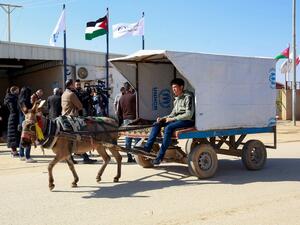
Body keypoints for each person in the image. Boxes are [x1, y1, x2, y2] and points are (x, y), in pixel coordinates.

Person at [136, 78, 195, 165]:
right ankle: (147, 147)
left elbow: (189, 114)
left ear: (181, 87)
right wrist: (163, 118)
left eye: (175, 87)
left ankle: (160, 157)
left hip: (188, 120)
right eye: (172, 88)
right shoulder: (177, 99)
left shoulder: (188, 97)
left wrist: (173, 119)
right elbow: (173, 113)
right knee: (156, 124)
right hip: (178, 119)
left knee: (168, 127)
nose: (173, 89)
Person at [62, 79, 96, 164]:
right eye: (73, 84)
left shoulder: (64, 93)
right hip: (73, 118)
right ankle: (84, 156)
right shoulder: (71, 94)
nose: (74, 85)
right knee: (83, 135)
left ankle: (82, 157)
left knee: (72, 138)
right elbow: (80, 106)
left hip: (65, 117)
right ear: (70, 85)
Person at [117, 82, 140, 163]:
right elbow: (138, 108)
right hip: (134, 119)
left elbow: (118, 112)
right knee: (137, 138)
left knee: (128, 138)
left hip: (125, 120)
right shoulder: (134, 96)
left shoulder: (121, 98)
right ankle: (137, 156)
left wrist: (120, 122)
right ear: (130, 88)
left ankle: (129, 157)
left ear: (124, 88)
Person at [18, 86, 36, 163]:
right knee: (28, 137)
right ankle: (27, 157)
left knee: (23, 138)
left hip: (22, 120)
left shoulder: (20, 100)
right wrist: (35, 104)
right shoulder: (24, 101)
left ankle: (21, 155)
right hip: (27, 121)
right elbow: (27, 111)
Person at [4, 86, 20, 157]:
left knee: (15, 135)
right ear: (14, 91)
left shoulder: (13, 98)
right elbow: (13, 109)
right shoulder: (10, 99)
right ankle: (14, 152)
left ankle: (13, 151)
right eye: (17, 90)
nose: (18, 92)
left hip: (14, 117)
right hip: (13, 118)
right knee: (13, 135)